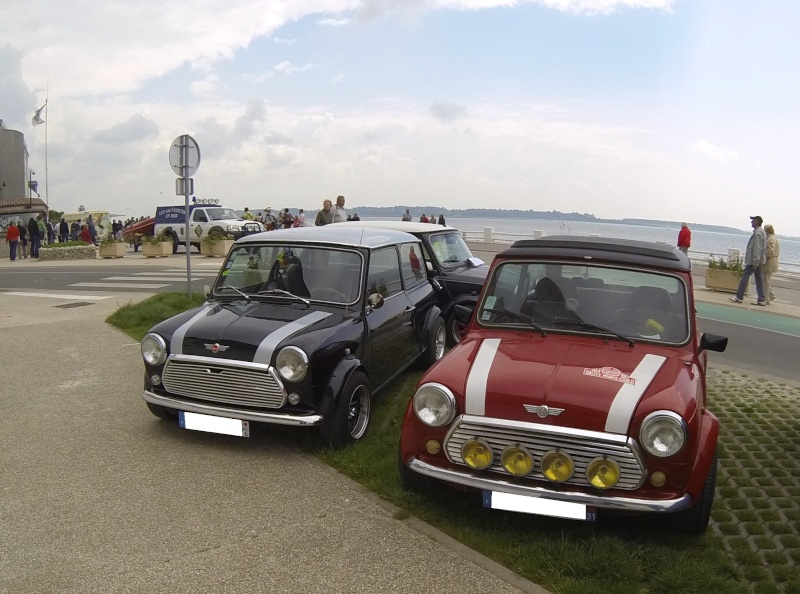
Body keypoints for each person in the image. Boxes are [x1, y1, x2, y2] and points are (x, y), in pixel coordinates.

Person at [729, 215, 767, 306]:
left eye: (753, 221)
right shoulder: (760, 232)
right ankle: (761, 299)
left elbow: (757, 249)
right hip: (757, 261)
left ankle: (739, 297)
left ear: (757, 222)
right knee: (758, 279)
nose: (751, 222)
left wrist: (755, 261)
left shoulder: (758, 233)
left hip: (754, 261)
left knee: (745, 277)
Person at [762, 224, 780, 305]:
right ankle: (771, 294)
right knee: (766, 280)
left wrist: (762, 254)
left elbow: (770, 251)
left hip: (769, 262)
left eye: (764, 229)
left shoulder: (770, 239)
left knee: (765, 280)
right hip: (772, 262)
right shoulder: (773, 237)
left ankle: (766, 298)